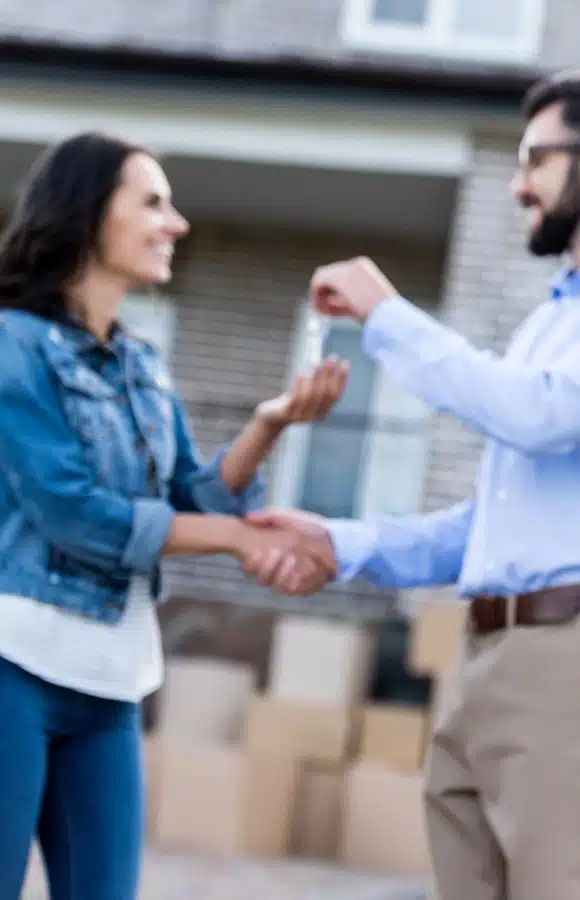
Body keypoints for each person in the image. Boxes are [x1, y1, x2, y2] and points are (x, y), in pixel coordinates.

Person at [245, 69, 580, 900]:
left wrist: (387, 316)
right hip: (488, 657)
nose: (518, 185)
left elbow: (535, 414)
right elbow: (506, 523)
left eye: (535, 160)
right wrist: (347, 543)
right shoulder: (555, 319)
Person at [0, 131, 343, 900]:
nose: (176, 223)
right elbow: (72, 513)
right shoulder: (10, 345)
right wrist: (234, 539)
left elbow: (190, 495)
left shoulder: (141, 364)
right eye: (153, 202)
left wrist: (271, 424)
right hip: (11, 666)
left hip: (111, 677)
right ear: (89, 216)